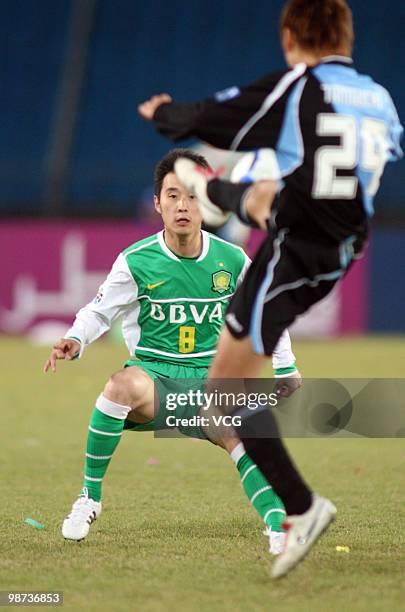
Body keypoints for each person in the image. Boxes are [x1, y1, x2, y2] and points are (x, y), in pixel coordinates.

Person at [138, 0, 403, 578]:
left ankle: (302, 509)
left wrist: (165, 114)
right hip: (343, 242)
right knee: (264, 192)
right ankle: (224, 196)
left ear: (290, 37)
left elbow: (208, 117)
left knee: (222, 394)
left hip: (297, 250)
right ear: (347, 36)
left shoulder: (300, 86)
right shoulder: (379, 98)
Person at [43, 149, 301, 554]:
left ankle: (277, 524)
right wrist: (75, 340)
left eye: (193, 195)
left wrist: (286, 365)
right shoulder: (136, 261)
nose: (183, 205)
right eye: (173, 195)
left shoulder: (231, 259)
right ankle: (88, 499)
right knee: (118, 387)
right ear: (158, 203)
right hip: (156, 379)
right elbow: (99, 311)